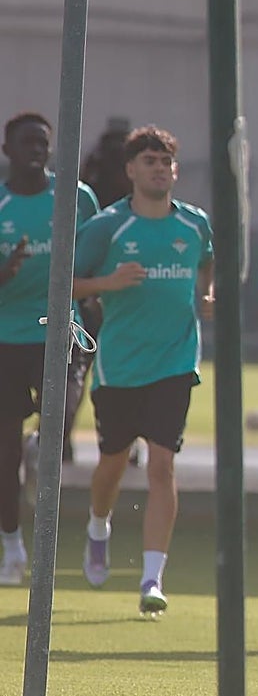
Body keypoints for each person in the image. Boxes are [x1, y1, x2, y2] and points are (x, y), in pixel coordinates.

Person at [71, 125, 214, 614]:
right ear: (131, 169)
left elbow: (209, 264)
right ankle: (98, 526)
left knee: (162, 463)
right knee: (113, 461)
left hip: (175, 362)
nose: (159, 168)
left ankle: (152, 579)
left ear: (175, 170)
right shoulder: (108, 226)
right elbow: (68, 285)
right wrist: (109, 282)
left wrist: (210, 295)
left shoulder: (195, 225)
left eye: (165, 161)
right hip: (121, 365)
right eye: (149, 160)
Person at [0, 111, 99, 586]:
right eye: (27, 142)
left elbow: (98, 258)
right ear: (8, 150)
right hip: (6, 337)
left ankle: (49, 442)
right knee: (4, 451)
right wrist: (7, 271)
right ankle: (13, 545)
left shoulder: (76, 198)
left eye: (44, 141)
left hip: (60, 329)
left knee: (62, 408)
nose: (37, 149)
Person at [64, 117, 134, 465]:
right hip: (109, 287)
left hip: (98, 287)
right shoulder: (118, 191)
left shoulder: (94, 163)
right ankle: (128, 445)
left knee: (80, 371)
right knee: (122, 371)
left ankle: (63, 440)